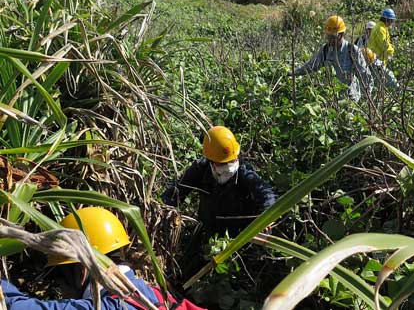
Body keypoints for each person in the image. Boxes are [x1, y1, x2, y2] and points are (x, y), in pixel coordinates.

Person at [1, 207, 206, 310]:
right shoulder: (152, 293)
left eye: (61, 276)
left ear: (82, 268)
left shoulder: (114, 306)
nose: (62, 289)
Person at [162, 126, 276, 238]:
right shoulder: (200, 169)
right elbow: (174, 194)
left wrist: (266, 218)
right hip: (208, 233)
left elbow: (266, 194)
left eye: (232, 161)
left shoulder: (244, 173)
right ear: (211, 160)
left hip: (239, 238)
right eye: (222, 163)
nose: (228, 167)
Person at [295, 15, 371, 102]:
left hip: (350, 100)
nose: (330, 40)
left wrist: (366, 101)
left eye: (333, 37)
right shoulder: (325, 50)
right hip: (331, 99)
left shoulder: (353, 51)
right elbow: (310, 66)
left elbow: (366, 76)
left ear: (341, 34)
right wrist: (293, 72)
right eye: (328, 37)